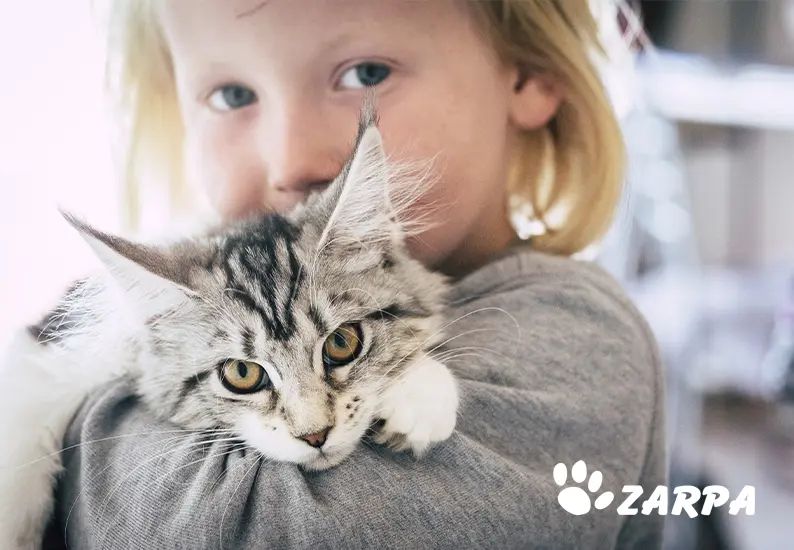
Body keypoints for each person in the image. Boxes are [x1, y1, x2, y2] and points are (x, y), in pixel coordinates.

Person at [45, 1, 666, 548]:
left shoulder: (577, 335)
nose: (292, 159)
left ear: (531, 72)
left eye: (365, 74)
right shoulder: (209, 291)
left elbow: (198, 531)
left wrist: (92, 429)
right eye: (233, 95)